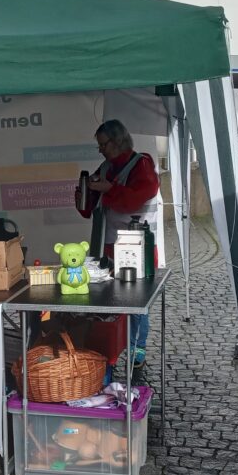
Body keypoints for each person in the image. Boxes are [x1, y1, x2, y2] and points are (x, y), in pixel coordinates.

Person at [76, 119, 160, 368]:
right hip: (108, 243)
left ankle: (137, 348)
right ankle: (108, 349)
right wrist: (84, 193)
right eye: (99, 145)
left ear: (118, 141)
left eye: (104, 144)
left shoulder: (142, 165)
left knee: (135, 300)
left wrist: (108, 188)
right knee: (108, 299)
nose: (101, 150)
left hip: (137, 248)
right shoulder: (105, 168)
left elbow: (134, 200)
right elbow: (89, 209)